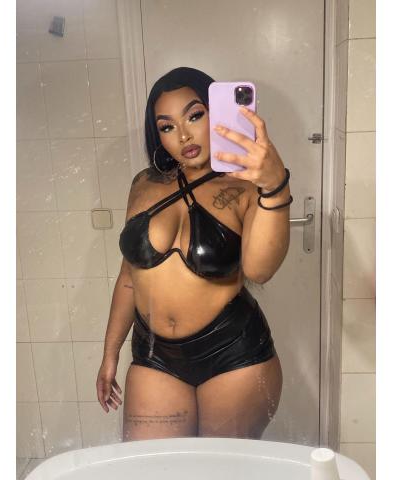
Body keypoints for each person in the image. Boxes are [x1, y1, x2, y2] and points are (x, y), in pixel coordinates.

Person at [96, 67, 293, 441]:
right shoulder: (143, 184)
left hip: (233, 355)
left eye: (195, 116)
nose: (183, 135)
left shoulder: (245, 186)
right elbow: (128, 279)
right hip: (155, 355)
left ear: (216, 114)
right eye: (167, 126)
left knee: (220, 467)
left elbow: (260, 269)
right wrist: (110, 354)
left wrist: (274, 185)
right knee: (153, 467)